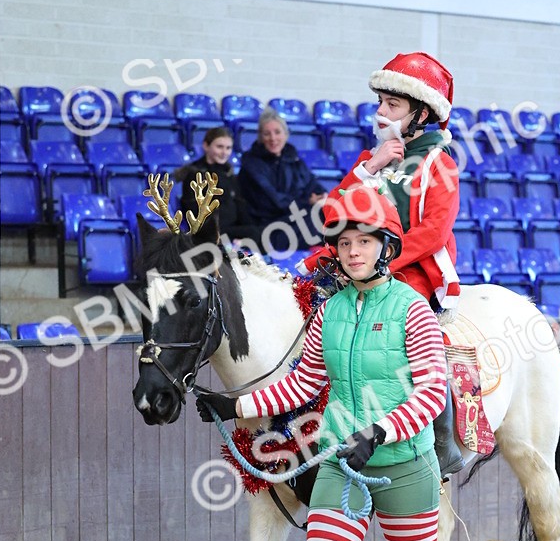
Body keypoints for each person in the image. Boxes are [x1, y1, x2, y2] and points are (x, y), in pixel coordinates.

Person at [195, 187, 483, 541]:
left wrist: (379, 430)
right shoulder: (329, 311)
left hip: (403, 465)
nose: (352, 251)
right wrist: (235, 405)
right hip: (342, 463)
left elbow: (427, 391)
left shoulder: (413, 311)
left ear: (386, 244)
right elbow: (302, 386)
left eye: (364, 241)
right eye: (344, 242)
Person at [301, 52, 465, 474]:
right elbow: (331, 216)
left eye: (391, 105)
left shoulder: (439, 164)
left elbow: (432, 232)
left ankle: (443, 441)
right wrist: (369, 166)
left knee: (421, 346)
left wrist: (382, 263)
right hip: (355, 263)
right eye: (380, 103)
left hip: (410, 272)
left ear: (420, 113)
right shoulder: (369, 161)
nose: (380, 112)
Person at [237, 108, 327, 249]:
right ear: (261, 137)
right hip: (269, 226)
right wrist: (307, 202)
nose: (273, 138)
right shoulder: (251, 165)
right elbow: (272, 201)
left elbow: (312, 184)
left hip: (296, 218)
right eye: (267, 134)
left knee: (330, 212)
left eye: (277, 132)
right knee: (317, 220)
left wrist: (323, 196)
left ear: (286, 134)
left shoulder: (294, 160)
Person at [173, 126, 261, 247]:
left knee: (259, 231)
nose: (224, 152)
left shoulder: (228, 173)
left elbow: (240, 205)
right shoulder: (194, 173)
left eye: (228, 148)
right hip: (209, 230)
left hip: (230, 229)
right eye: (219, 147)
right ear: (206, 146)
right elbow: (192, 211)